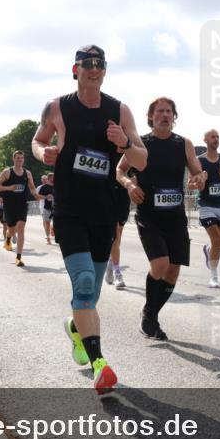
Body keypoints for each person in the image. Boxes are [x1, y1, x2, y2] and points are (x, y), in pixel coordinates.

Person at [32, 44, 146, 394]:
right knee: (82, 283)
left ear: (105, 71)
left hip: (103, 211)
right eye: (87, 64)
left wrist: (125, 142)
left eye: (99, 64)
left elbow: (141, 160)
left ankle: (75, 327)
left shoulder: (119, 109)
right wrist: (44, 152)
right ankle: (100, 365)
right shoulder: (57, 107)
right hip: (69, 209)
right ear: (75, 69)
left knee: (90, 294)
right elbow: (37, 141)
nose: (93, 69)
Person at [117, 97, 205, 340]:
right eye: (160, 111)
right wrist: (128, 186)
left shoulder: (184, 144)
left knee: (174, 269)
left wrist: (199, 179)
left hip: (175, 217)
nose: (165, 115)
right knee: (160, 265)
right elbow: (120, 170)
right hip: (149, 214)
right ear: (151, 116)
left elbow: (198, 171)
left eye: (169, 112)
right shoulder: (141, 143)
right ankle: (151, 316)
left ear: (173, 116)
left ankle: (150, 314)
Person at [197, 128, 220, 287]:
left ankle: (209, 250)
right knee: (217, 240)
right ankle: (214, 276)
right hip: (206, 206)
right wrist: (201, 180)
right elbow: (195, 184)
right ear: (205, 140)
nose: (216, 139)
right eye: (212, 136)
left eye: (217, 137)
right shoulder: (199, 161)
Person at [0, 151, 41, 267]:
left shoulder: (27, 173)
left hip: (22, 205)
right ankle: (8, 238)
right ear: (13, 159)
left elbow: (32, 188)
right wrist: (9, 187)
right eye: (18, 158)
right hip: (9, 205)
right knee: (12, 229)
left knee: (20, 228)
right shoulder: (7, 172)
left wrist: (37, 196)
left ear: (23, 160)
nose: (20, 160)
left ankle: (18, 258)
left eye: (22, 158)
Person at [103, 176, 130, 290]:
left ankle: (110, 265)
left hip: (123, 197)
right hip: (107, 195)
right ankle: (117, 273)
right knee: (114, 236)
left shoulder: (127, 159)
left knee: (118, 237)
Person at [37, 173, 55, 245]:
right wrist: (46, 197)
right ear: (49, 178)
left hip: (56, 208)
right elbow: (38, 196)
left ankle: (55, 234)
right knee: (47, 223)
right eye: (53, 177)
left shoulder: (57, 186)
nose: (54, 179)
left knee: (56, 224)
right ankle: (48, 238)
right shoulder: (44, 187)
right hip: (46, 208)